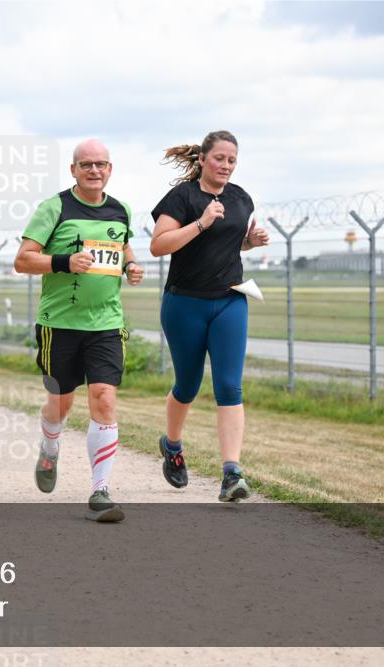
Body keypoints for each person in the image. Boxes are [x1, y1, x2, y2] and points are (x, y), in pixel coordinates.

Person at [14, 139, 145, 523]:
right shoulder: (54, 208)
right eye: (86, 164)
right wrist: (64, 261)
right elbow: (23, 260)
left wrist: (131, 268)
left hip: (106, 323)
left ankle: (100, 491)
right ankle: (50, 444)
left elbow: (124, 252)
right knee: (61, 404)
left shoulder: (120, 210)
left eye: (101, 164)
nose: (94, 171)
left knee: (104, 398)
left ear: (110, 169)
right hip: (59, 325)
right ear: (73, 170)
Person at [149, 130, 270, 502]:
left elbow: (229, 243)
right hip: (185, 303)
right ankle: (171, 445)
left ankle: (232, 473)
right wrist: (200, 222)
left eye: (232, 160)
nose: (226, 166)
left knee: (230, 386)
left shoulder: (241, 199)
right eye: (220, 158)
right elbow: (158, 246)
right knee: (187, 384)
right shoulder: (182, 197)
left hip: (230, 299)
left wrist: (250, 242)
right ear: (202, 159)